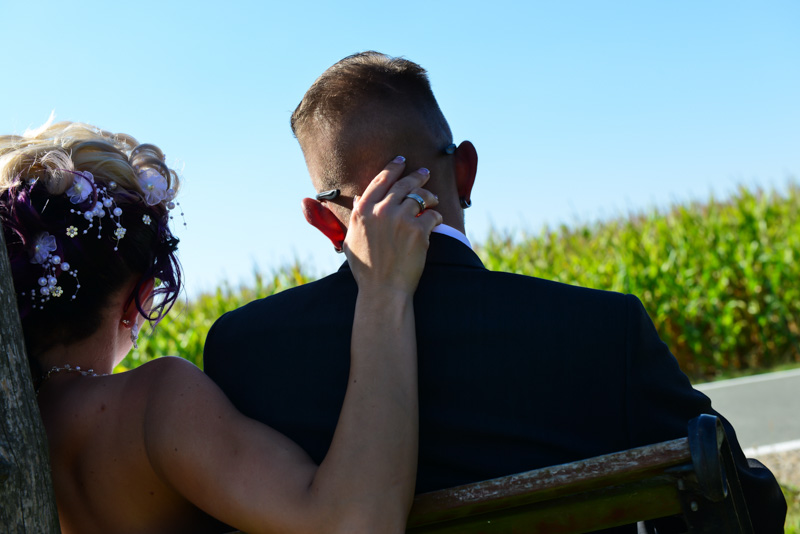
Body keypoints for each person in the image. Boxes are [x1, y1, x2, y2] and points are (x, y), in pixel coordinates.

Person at [203, 51, 786, 532]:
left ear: (325, 221)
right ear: (465, 172)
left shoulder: (244, 353)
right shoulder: (603, 332)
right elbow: (748, 505)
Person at [0, 120, 442, 533]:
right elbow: (355, 522)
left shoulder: (18, 426)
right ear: (140, 297)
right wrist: (384, 290)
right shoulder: (152, 405)